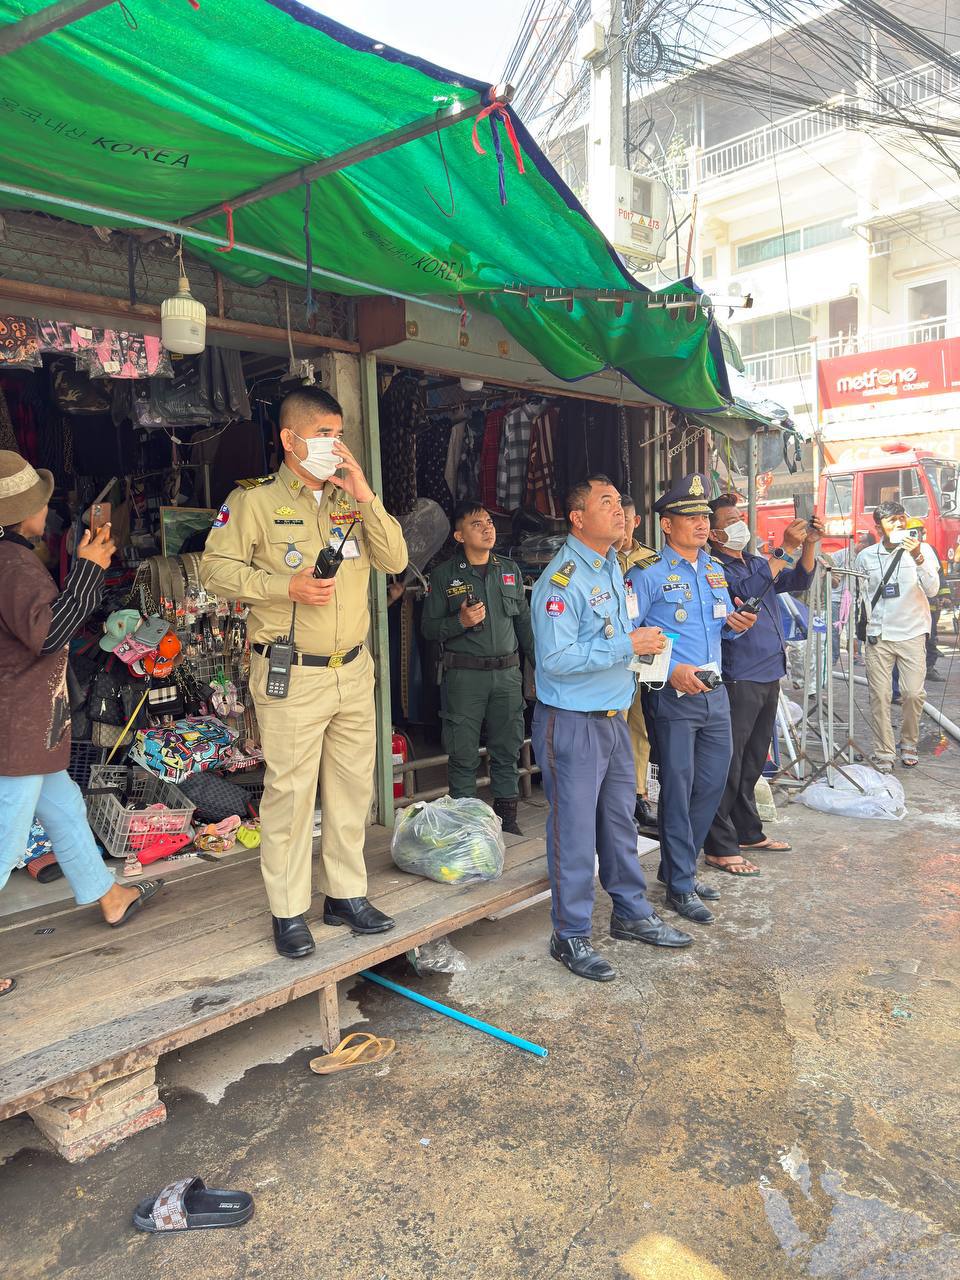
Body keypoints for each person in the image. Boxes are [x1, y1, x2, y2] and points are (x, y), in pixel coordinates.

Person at [201, 387, 408, 959]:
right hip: (292, 673)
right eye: (322, 434)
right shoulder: (254, 502)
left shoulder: (349, 500)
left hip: (353, 670)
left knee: (351, 790)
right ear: (290, 439)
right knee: (290, 795)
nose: (333, 445)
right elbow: (214, 570)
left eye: (338, 434)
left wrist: (366, 496)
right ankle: (289, 909)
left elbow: (395, 559)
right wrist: (282, 586)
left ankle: (346, 894)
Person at [0, 451, 162, 997]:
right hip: (18, 725)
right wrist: (89, 570)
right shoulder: (12, 564)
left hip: (28, 722)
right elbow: (47, 636)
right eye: (41, 504)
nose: (47, 513)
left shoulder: (11, 560)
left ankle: (108, 896)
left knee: (65, 807)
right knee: (4, 839)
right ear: (21, 514)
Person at [531, 474, 692, 983]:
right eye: (607, 503)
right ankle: (570, 933)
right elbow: (555, 659)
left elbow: (614, 637)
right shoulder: (562, 580)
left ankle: (631, 912)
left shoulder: (608, 569)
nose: (620, 510)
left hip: (613, 718)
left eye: (620, 502)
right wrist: (629, 645)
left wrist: (641, 645)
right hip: (572, 722)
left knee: (620, 825)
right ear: (578, 518)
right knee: (575, 834)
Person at [626, 474, 757, 925]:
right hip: (673, 697)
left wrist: (734, 625)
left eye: (704, 517)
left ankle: (676, 867)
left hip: (715, 693)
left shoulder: (714, 569)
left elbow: (717, 626)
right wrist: (672, 671)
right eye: (691, 517)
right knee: (679, 791)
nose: (702, 524)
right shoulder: (646, 576)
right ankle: (680, 884)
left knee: (711, 786)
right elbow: (628, 641)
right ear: (667, 525)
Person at [703, 497, 821, 874]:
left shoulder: (755, 561)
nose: (741, 523)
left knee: (753, 759)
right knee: (730, 762)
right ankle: (718, 841)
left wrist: (808, 545)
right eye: (731, 520)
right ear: (715, 533)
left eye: (740, 517)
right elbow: (750, 592)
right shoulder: (715, 569)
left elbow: (799, 580)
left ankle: (747, 831)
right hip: (740, 673)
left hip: (769, 671)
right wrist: (784, 548)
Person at [421, 500, 534, 835]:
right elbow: (428, 629)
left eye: (489, 522)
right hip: (465, 677)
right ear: (459, 536)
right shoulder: (444, 576)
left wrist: (539, 667)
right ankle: (466, 827)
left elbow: (524, 624)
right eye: (476, 524)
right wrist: (460, 621)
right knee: (463, 753)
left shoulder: (509, 570)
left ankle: (508, 821)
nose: (487, 528)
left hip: (507, 675)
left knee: (507, 749)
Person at [855, 500, 940, 772]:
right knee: (879, 696)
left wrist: (918, 558)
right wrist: (860, 630)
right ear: (879, 527)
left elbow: (933, 590)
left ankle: (909, 742)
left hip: (912, 632)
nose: (900, 523)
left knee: (913, 694)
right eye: (892, 520)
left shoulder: (923, 550)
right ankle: (884, 752)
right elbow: (860, 596)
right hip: (878, 636)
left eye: (902, 518)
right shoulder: (866, 556)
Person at [616, 495, 659, 830]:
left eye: (625, 518)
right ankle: (614, 795)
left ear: (636, 521)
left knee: (640, 726)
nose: (621, 524)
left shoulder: (653, 560)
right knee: (614, 724)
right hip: (614, 653)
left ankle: (638, 794)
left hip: (645, 654)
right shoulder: (602, 557)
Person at [905, 517, 947, 681]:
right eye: (913, 531)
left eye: (918, 531)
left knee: (930, 635)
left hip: (930, 600)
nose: (917, 534)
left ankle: (929, 667)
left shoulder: (929, 549)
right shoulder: (901, 549)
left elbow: (939, 573)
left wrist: (944, 595)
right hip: (911, 600)